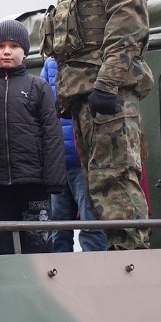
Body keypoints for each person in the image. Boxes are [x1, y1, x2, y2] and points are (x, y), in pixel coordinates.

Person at [41, 0, 159, 250]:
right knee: (98, 193)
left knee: (115, 188)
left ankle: (135, 278)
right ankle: (119, 277)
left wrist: (108, 83)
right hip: (86, 92)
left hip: (105, 91)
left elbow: (127, 16)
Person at [0, 20, 65, 255]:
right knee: (2, 245)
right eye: (0, 46)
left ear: (25, 51)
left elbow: (52, 133)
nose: (6, 51)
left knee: (38, 244)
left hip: (33, 181)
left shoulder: (38, 87)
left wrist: (54, 179)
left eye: (14, 46)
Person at [40, 56, 107, 252]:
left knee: (91, 226)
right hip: (58, 164)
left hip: (85, 162)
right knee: (58, 229)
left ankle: (96, 275)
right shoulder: (50, 65)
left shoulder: (93, 56)